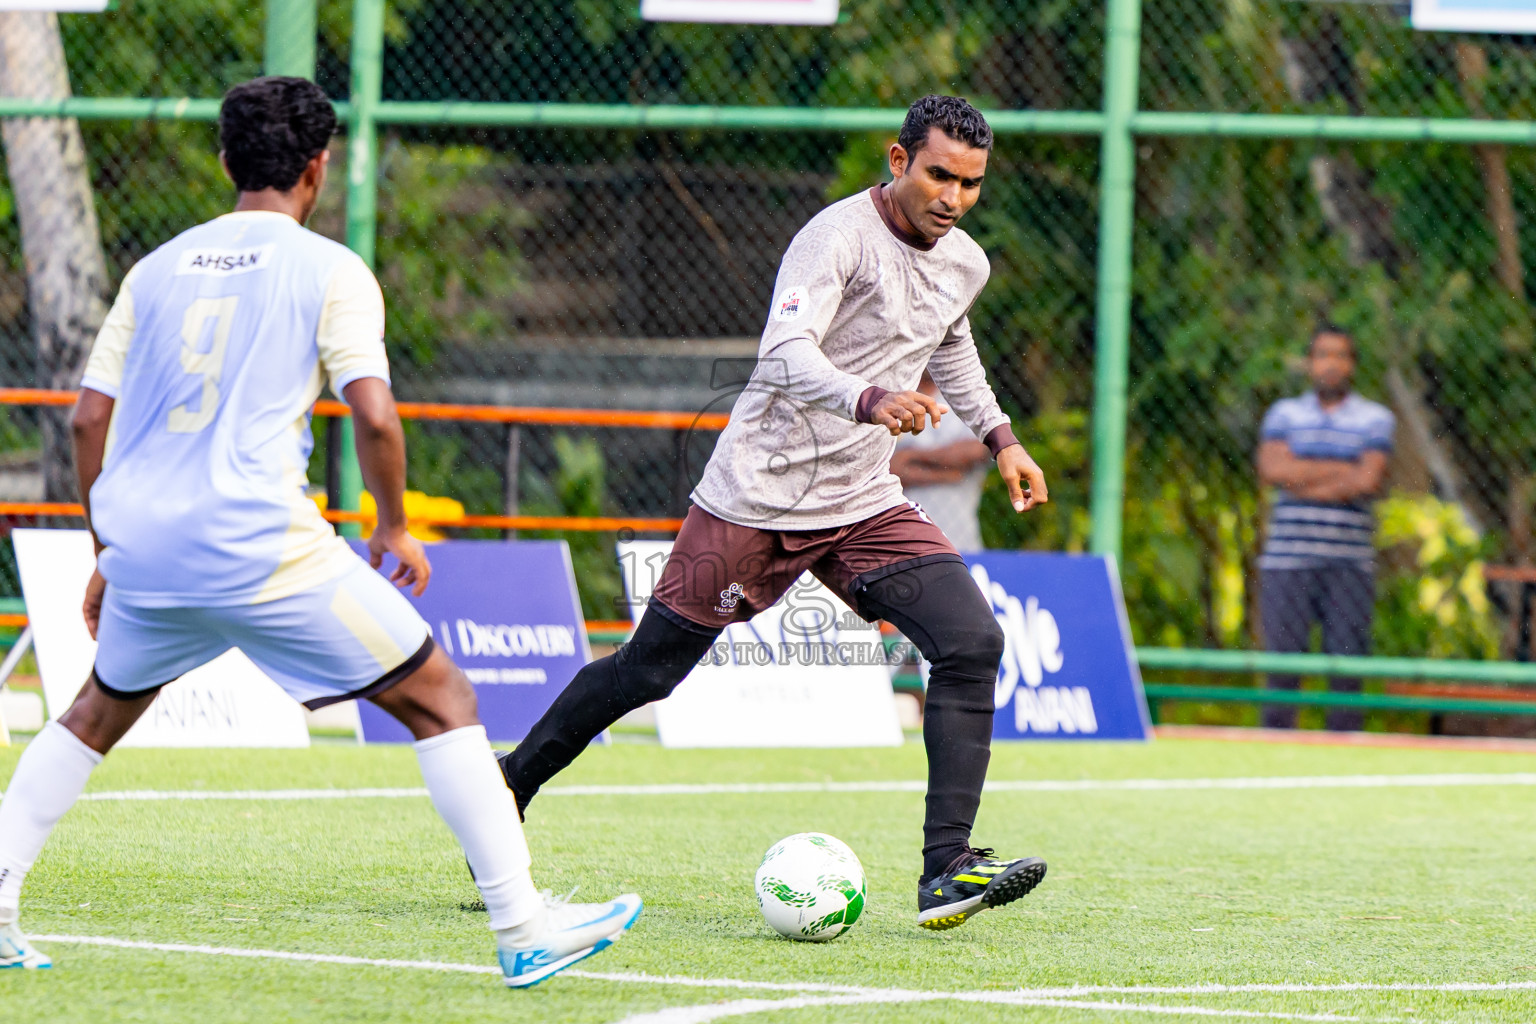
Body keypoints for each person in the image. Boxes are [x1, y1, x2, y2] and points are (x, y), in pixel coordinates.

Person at [0, 77, 639, 986]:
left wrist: (109, 553)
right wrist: (394, 526)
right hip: (259, 542)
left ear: (225, 161)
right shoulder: (331, 269)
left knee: (95, 713)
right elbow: (374, 418)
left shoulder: (157, 267)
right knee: (442, 699)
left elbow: (83, 421)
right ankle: (523, 925)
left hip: (145, 541)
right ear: (319, 166)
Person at [498, 95, 1051, 932]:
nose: (954, 198)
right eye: (940, 175)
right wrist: (868, 399)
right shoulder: (835, 239)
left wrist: (1003, 438)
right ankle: (508, 790)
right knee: (648, 671)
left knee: (971, 641)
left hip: (863, 502)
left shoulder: (964, 261)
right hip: (757, 494)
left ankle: (947, 868)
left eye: (972, 184)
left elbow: (953, 346)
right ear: (898, 160)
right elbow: (784, 355)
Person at [1255, 325, 1394, 731]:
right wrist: (1342, 472)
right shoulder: (1283, 414)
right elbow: (1271, 469)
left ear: (1352, 364)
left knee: (1346, 666)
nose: (1330, 364)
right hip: (1287, 560)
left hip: (1349, 564)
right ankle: (1275, 749)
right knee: (1282, 667)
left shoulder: (1376, 418)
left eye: (1339, 356)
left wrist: (1300, 476)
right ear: (1309, 363)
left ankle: (1344, 750)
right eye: (1322, 355)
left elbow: (1368, 481)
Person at [891, 369, 993, 552]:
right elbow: (889, 470)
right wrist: (946, 472)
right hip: (899, 543)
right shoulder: (890, 400)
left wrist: (910, 456)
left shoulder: (966, 400)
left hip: (958, 542)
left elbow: (978, 450)